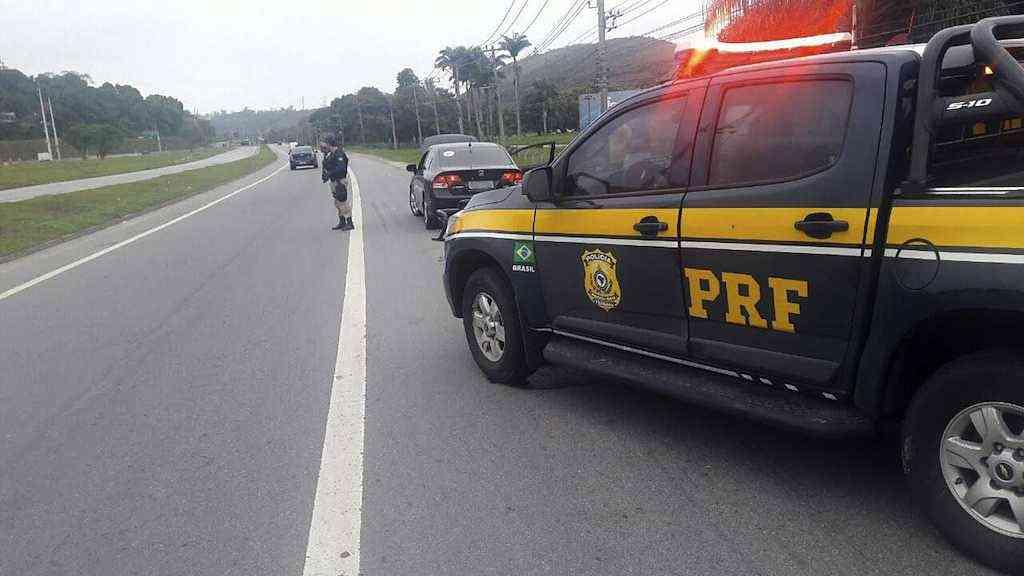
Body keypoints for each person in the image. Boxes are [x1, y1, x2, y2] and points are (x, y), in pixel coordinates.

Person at [321, 134, 353, 231]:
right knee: (337, 202)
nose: (323, 146)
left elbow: (341, 168)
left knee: (342, 202)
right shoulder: (331, 154)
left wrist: (330, 173)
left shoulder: (339, 153)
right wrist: (325, 156)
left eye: (325, 144)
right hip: (334, 181)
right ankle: (342, 221)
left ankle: (349, 222)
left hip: (340, 181)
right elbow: (327, 165)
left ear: (329, 143)